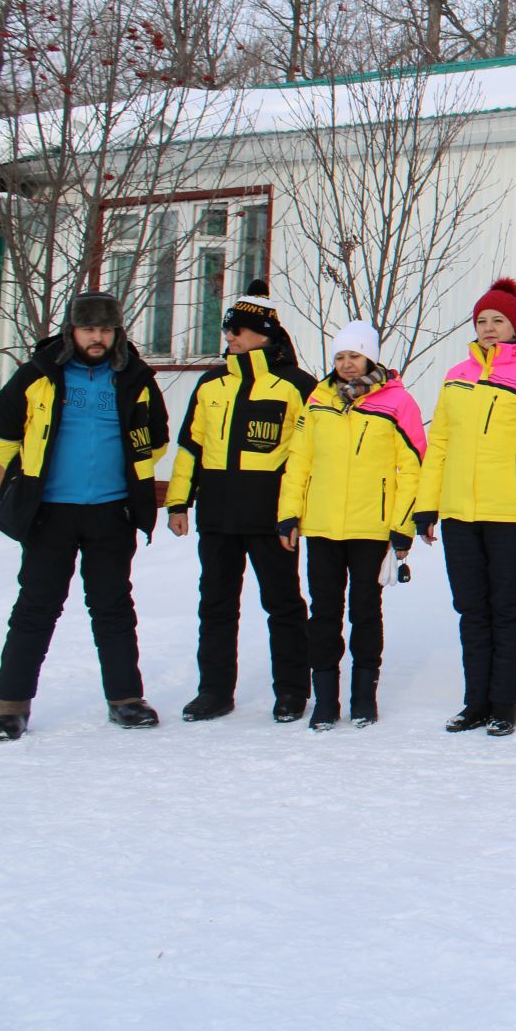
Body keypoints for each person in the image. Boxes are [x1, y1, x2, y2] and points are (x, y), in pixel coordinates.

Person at [0, 291, 170, 741]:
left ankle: (126, 700)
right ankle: (9, 707)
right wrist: (31, 479)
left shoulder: (135, 379)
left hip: (110, 512)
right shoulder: (38, 374)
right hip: (50, 515)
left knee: (113, 609)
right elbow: (1, 436)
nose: (97, 337)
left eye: (106, 330)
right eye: (89, 329)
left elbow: (156, 440)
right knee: (35, 609)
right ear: (72, 331)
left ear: (116, 332)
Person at [415, 278, 516, 737]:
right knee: (471, 608)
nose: (488, 328)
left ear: (515, 324)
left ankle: (505, 702)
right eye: (481, 321)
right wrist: (426, 506)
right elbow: (438, 443)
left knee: (509, 607)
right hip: (460, 513)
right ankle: (476, 700)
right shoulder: (457, 374)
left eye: (497, 320)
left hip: (514, 515)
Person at [166, 280, 316, 723]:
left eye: (236, 331)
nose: (229, 337)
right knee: (215, 604)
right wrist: (178, 502)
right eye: (228, 330)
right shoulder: (212, 385)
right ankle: (213, 691)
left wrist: (296, 511)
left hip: (271, 517)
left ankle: (291, 691)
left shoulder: (296, 386)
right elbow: (190, 446)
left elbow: (309, 456)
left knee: (284, 603)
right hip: (216, 514)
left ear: (262, 335)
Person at [275, 321, 425, 731]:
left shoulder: (397, 403)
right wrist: (289, 514)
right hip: (322, 526)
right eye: (340, 357)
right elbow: (299, 461)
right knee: (323, 614)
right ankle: (325, 700)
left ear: (370, 357)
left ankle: (363, 697)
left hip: (369, 528)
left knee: (365, 612)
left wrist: (402, 525)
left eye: (354, 356)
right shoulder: (318, 401)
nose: (346, 364)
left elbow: (412, 469)